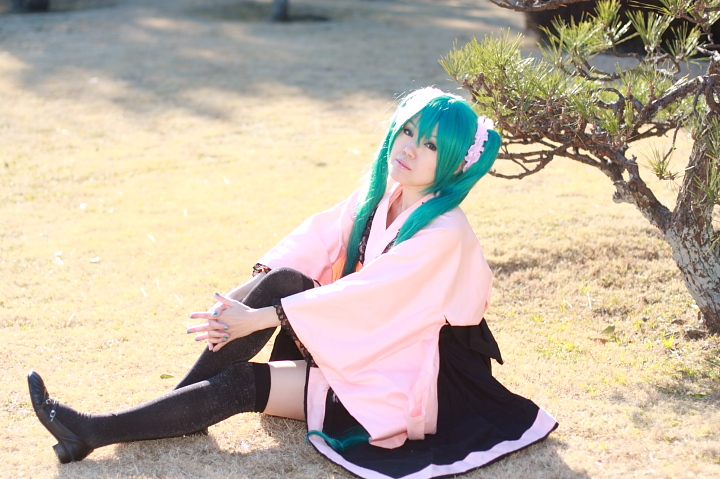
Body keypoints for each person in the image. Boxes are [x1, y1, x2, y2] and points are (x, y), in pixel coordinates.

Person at [28, 87, 558, 479]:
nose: (410, 148)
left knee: (240, 385)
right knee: (282, 279)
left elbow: (370, 299)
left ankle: (93, 431)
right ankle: (175, 408)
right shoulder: (384, 196)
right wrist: (248, 298)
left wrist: (258, 318)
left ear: (453, 165)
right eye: (408, 131)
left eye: (431, 146)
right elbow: (318, 242)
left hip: (412, 372)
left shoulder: (445, 231)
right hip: (358, 341)